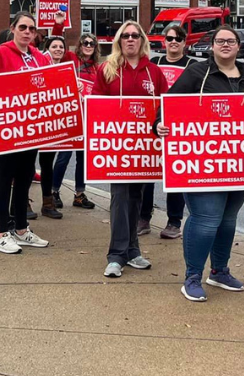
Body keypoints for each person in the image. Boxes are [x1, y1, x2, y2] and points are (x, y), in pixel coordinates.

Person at [156, 25, 244, 302]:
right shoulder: (196, 74)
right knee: (206, 219)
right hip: (201, 164)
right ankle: (192, 276)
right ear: (212, 46)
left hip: (240, 164)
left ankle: (219, 271)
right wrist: (160, 123)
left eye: (231, 41)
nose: (225, 45)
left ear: (239, 46)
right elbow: (167, 107)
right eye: (220, 41)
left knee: (228, 220)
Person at [92, 21, 169, 278]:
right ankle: (116, 254)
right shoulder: (108, 69)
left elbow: (164, 106)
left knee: (136, 197)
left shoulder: (154, 72)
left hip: (144, 148)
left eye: (135, 35)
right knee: (120, 197)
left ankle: (132, 250)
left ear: (142, 40)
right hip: (117, 147)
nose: (130, 39)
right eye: (125, 36)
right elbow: (96, 106)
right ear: (119, 40)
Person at [0, 11, 52, 254]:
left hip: (30, 128)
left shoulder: (40, 57)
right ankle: (1, 234)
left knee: (25, 177)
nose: (28, 32)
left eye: (31, 28)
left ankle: (21, 229)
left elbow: (51, 84)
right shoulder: (0, 53)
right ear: (13, 29)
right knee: (4, 177)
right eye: (23, 27)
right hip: (5, 128)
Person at [139, 24, 196, 239]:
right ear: (164, 41)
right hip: (154, 123)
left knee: (175, 175)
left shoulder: (192, 65)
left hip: (180, 128)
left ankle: (174, 221)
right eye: (170, 38)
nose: (174, 42)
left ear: (184, 42)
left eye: (178, 39)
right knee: (148, 173)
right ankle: (144, 217)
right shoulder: (154, 63)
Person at [51, 33, 100, 210]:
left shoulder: (96, 67)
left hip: (87, 117)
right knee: (64, 156)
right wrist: (58, 24)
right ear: (79, 45)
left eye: (92, 43)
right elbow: (57, 46)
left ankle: (79, 194)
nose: (88, 45)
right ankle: (54, 191)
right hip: (70, 115)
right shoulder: (70, 58)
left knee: (83, 158)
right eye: (85, 42)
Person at [34, 35, 68, 220]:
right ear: (47, 49)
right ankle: (22, 203)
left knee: (47, 164)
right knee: (26, 164)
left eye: (61, 47)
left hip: (53, 124)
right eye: (54, 46)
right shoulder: (39, 65)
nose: (58, 49)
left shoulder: (66, 69)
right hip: (36, 122)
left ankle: (48, 202)